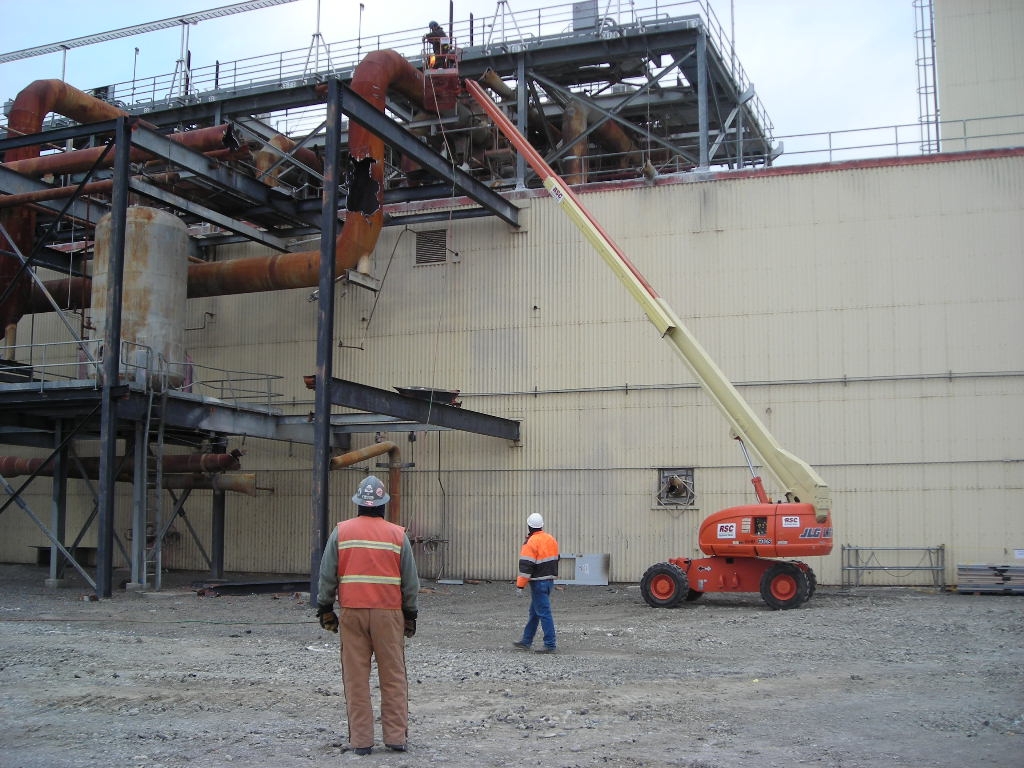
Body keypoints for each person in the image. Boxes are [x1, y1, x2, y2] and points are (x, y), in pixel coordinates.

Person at [316, 475, 420, 756]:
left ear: (358, 504)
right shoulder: (398, 535)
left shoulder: (341, 532)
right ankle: (396, 737)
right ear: (383, 505)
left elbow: (327, 575)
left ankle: (362, 742)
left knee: (356, 678)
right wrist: (410, 614)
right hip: (389, 615)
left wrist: (325, 608)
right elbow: (410, 582)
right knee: (394, 676)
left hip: (352, 613)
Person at [512, 512, 559, 653]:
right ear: (542, 525)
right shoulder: (550, 539)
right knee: (535, 613)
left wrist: (520, 585)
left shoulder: (531, 542)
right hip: (549, 582)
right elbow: (557, 558)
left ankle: (550, 644)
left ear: (529, 526)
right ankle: (526, 641)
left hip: (538, 583)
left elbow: (526, 566)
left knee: (544, 613)